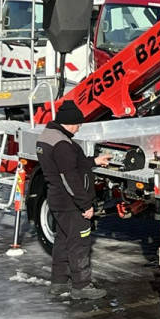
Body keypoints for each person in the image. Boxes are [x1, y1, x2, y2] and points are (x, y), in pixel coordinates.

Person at [36, 100, 111, 299]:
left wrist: (94, 161)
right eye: (78, 124)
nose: (78, 129)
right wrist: (85, 205)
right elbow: (69, 178)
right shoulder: (62, 144)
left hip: (57, 200)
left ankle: (58, 282)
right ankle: (81, 286)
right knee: (80, 243)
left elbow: (72, 165)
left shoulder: (48, 136)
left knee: (62, 241)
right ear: (69, 123)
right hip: (70, 203)